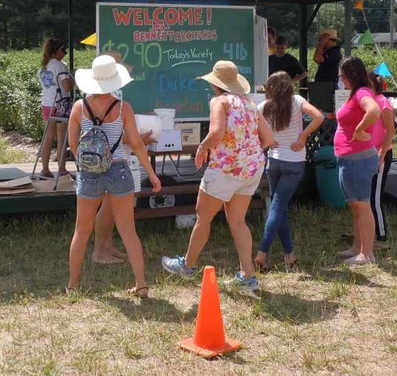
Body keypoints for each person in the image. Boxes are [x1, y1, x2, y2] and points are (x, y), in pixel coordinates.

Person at [162, 61, 274, 291]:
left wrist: (202, 148)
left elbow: (216, 133)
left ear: (216, 84)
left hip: (225, 169)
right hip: (251, 169)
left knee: (203, 217)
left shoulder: (219, 101)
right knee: (237, 221)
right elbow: (269, 139)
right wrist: (248, 153)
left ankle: (187, 265)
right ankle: (247, 276)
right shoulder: (251, 104)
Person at [67, 55, 162, 297]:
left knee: (81, 230)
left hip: (89, 173)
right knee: (128, 231)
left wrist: (84, 166)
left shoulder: (79, 107)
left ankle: (73, 285)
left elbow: (72, 143)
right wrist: (151, 174)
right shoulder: (123, 108)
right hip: (119, 169)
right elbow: (138, 145)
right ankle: (141, 284)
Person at [91, 50, 156, 265]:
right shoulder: (111, 95)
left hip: (110, 155)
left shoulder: (102, 93)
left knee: (110, 204)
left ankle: (107, 246)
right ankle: (100, 250)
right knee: (109, 204)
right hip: (114, 157)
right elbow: (113, 132)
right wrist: (138, 141)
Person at [254, 71, 324, 270]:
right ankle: (261, 255)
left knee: (280, 208)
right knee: (277, 208)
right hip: (294, 162)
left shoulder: (265, 106)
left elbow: (251, 123)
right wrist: (303, 137)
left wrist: (267, 138)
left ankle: (289, 256)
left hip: (274, 161)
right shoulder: (297, 100)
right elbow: (319, 116)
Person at [335, 57, 380, 265]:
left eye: (343, 76)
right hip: (351, 159)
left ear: (352, 75)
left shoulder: (362, 92)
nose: (341, 80)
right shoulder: (356, 93)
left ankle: (367, 253)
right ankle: (357, 247)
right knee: (356, 206)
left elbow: (374, 111)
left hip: (358, 159)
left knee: (362, 205)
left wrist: (360, 129)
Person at [38, 38, 74, 179]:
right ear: (57, 51)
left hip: (47, 104)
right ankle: (61, 168)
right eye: (63, 50)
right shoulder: (60, 66)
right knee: (61, 138)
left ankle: (45, 169)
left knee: (48, 138)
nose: (64, 53)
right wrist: (73, 79)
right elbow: (67, 87)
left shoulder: (43, 67)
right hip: (60, 103)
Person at [368, 72, 395, 245]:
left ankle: (381, 235)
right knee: (366, 196)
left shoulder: (382, 102)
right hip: (367, 153)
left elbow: (390, 131)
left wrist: (381, 155)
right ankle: (368, 230)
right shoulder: (367, 103)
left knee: (374, 198)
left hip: (381, 154)